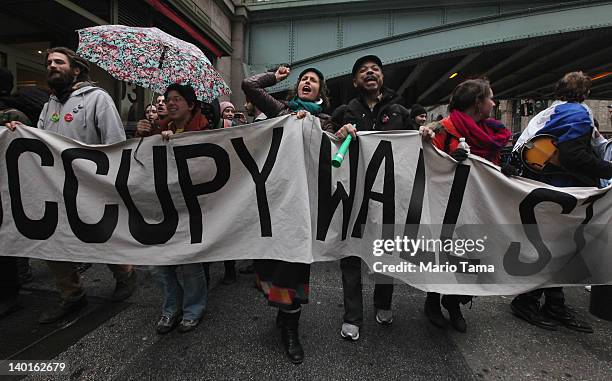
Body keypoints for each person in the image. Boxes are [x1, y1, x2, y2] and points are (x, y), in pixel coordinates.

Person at [4, 47, 137, 323]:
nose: (51, 65)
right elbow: (40, 141)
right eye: (48, 62)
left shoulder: (97, 99)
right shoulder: (49, 105)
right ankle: (72, 294)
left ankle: (125, 273)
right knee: (53, 239)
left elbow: (114, 142)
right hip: (55, 185)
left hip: (91, 184)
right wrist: (21, 129)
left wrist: (108, 182)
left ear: (75, 69)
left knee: (100, 234)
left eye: (58, 61)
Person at [509, 72, 612, 333]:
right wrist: (607, 169)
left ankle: (552, 302)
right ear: (585, 93)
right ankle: (528, 301)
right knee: (561, 248)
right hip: (564, 192)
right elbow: (572, 155)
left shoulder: (551, 112)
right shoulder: (578, 114)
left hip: (542, 188)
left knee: (556, 248)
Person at [242, 64, 331, 364]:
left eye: (313, 81)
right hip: (276, 202)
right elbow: (249, 86)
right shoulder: (281, 110)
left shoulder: (326, 122)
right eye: (304, 79)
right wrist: (275, 77)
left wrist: (319, 129)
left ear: (321, 92)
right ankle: (285, 314)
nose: (307, 82)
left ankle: (290, 328)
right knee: (274, 262)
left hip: (305, 206)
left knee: (294, 265)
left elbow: (335, 154)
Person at [325, 54, 415, 342]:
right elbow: (324, 139)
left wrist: (424, 134)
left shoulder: (400, 111)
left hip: (388, 195)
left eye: (375, 68)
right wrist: (337, 132)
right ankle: (352, 316)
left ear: (382, 77)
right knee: (351, 255)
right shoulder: (344, 110)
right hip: (353, 196)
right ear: (355, 81)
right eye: (362, 70)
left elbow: (416, 146)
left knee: (386, 252)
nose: (370, 73)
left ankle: (384, 303)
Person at [419, 78, 511, 333]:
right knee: (443, 257)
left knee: (469, 257)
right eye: (490, 98)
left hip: (476, 207)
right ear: (477, 103)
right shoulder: (444, 129)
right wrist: (449, 160)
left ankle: (454, 301)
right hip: (447, 207)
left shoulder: (490, 132)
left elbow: (487, 168)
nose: (494, 103)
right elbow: (428, 166)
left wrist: (503, 171)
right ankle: (433, 301)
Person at [137, 83, 209, 334]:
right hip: (162, 207)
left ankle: (193, 310)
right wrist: (146, 135)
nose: (171, 103)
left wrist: (180, 142)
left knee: (189, 264)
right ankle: (171, 307)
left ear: (191, 105)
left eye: (178, 99)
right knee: (157, 264)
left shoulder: (204, 130)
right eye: (168, 99)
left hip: (191, 209)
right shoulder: (162, 128)